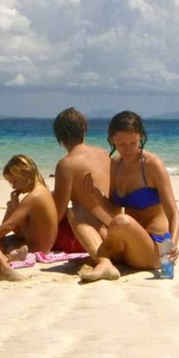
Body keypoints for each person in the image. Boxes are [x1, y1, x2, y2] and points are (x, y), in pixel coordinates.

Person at [80, 110, 179, 281]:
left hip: (153, 248)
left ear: (140, 137)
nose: (128, 150)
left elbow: (173, 213)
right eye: (122, 144)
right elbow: (113, 210)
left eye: (133, 143)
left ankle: (102, 259)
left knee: (122, 221)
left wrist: (172, 244)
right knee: (77, 212)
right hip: (127, 243)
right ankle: (105, 262)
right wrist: (95, 193)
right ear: (112, 140)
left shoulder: (152, 165)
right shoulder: (116, 164)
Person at [50, 108, 117, 267]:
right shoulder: (102, 153)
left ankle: (102, 260)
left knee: (74, 211)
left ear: (59, 135)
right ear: (83, 129)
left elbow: (59, 213)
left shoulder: (66, 164)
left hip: (97, 236)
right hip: (115, 229)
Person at [0, 154, 58, 253]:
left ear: (26, 173)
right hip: (40, 244)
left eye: (15, 182)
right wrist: (16, 205)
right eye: (11, 183)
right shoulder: (42, 189)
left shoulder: (33, 197)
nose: (13, 187)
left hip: (35, 249)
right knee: (11, 206)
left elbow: (9, 225)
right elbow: (28, 229)